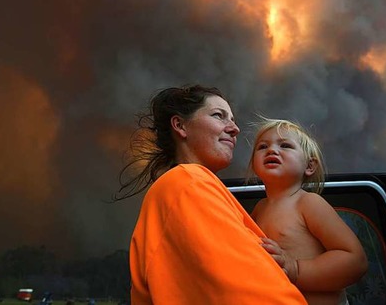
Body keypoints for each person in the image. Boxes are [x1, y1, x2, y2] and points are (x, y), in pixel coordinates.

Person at [116, 85, 307, 305]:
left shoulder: (184, 186)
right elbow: (249, 294)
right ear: (180, 126)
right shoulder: (188, 182)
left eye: (233, 120)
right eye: (219, 116)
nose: (235, 128)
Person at [247, 117, 368, 305]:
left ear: (309, 166)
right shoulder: (259, 210)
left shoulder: (309, 203)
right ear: (254, 165)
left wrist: (296, 269)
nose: (271, 150)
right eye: (262, 147)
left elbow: (354, 260)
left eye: (285, 145)